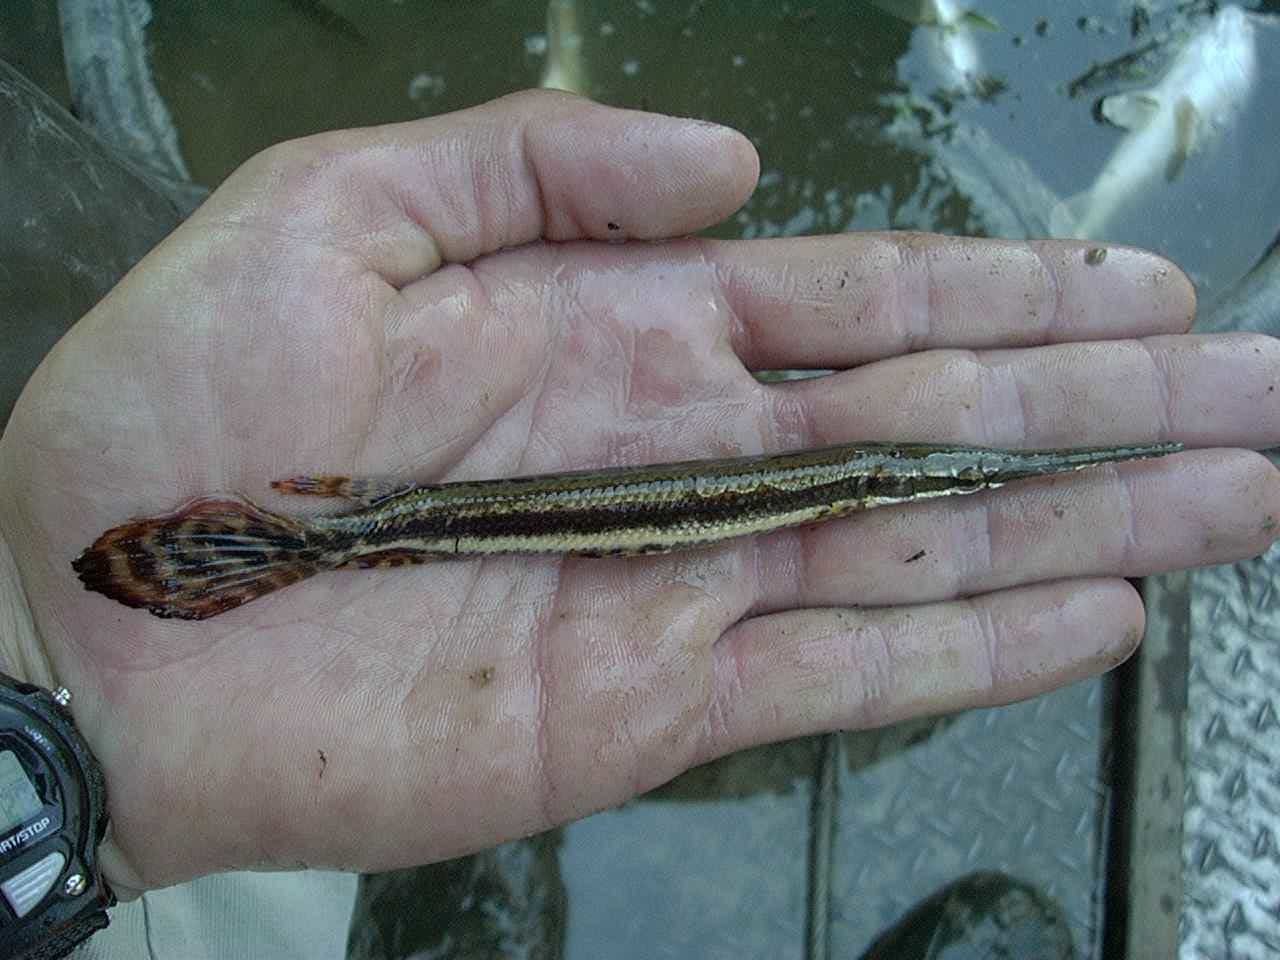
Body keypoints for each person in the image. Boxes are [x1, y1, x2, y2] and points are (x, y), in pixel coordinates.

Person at [0, 89, 1276, 938]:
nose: (961, 486)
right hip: (386, 551)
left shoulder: (836, 483)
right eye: (941, 479)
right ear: (879, 488)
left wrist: (37, 671)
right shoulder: (846, 482)